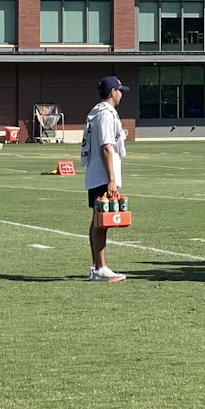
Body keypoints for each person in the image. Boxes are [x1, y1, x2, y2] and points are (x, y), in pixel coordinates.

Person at [82, 76, 129, 282]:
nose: (122, 94)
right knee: (102, 221)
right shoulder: (105, 114)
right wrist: (111, 179)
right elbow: (106, 147)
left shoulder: (100, 113)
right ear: (112, 92)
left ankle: (97, 267)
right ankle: (100, 268)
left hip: (97, 172)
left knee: (98, 221)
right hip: (102, 173)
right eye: (120, 90)